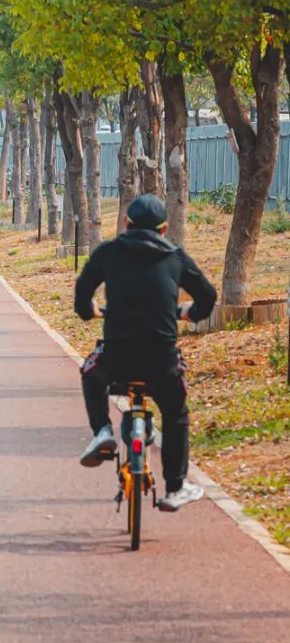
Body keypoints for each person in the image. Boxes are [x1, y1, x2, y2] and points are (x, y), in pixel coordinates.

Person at [75, 193, 217, 511]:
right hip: (162, 364)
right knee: (176, 414)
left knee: (90, 372)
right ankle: (176, 487)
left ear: (126, 223)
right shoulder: (176, 257)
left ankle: (102, 431)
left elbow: (82, 291)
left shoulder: (108, 252)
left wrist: (89, 310)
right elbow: (208, 296)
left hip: (116, 361)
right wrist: (189, 313)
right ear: (164, 229)